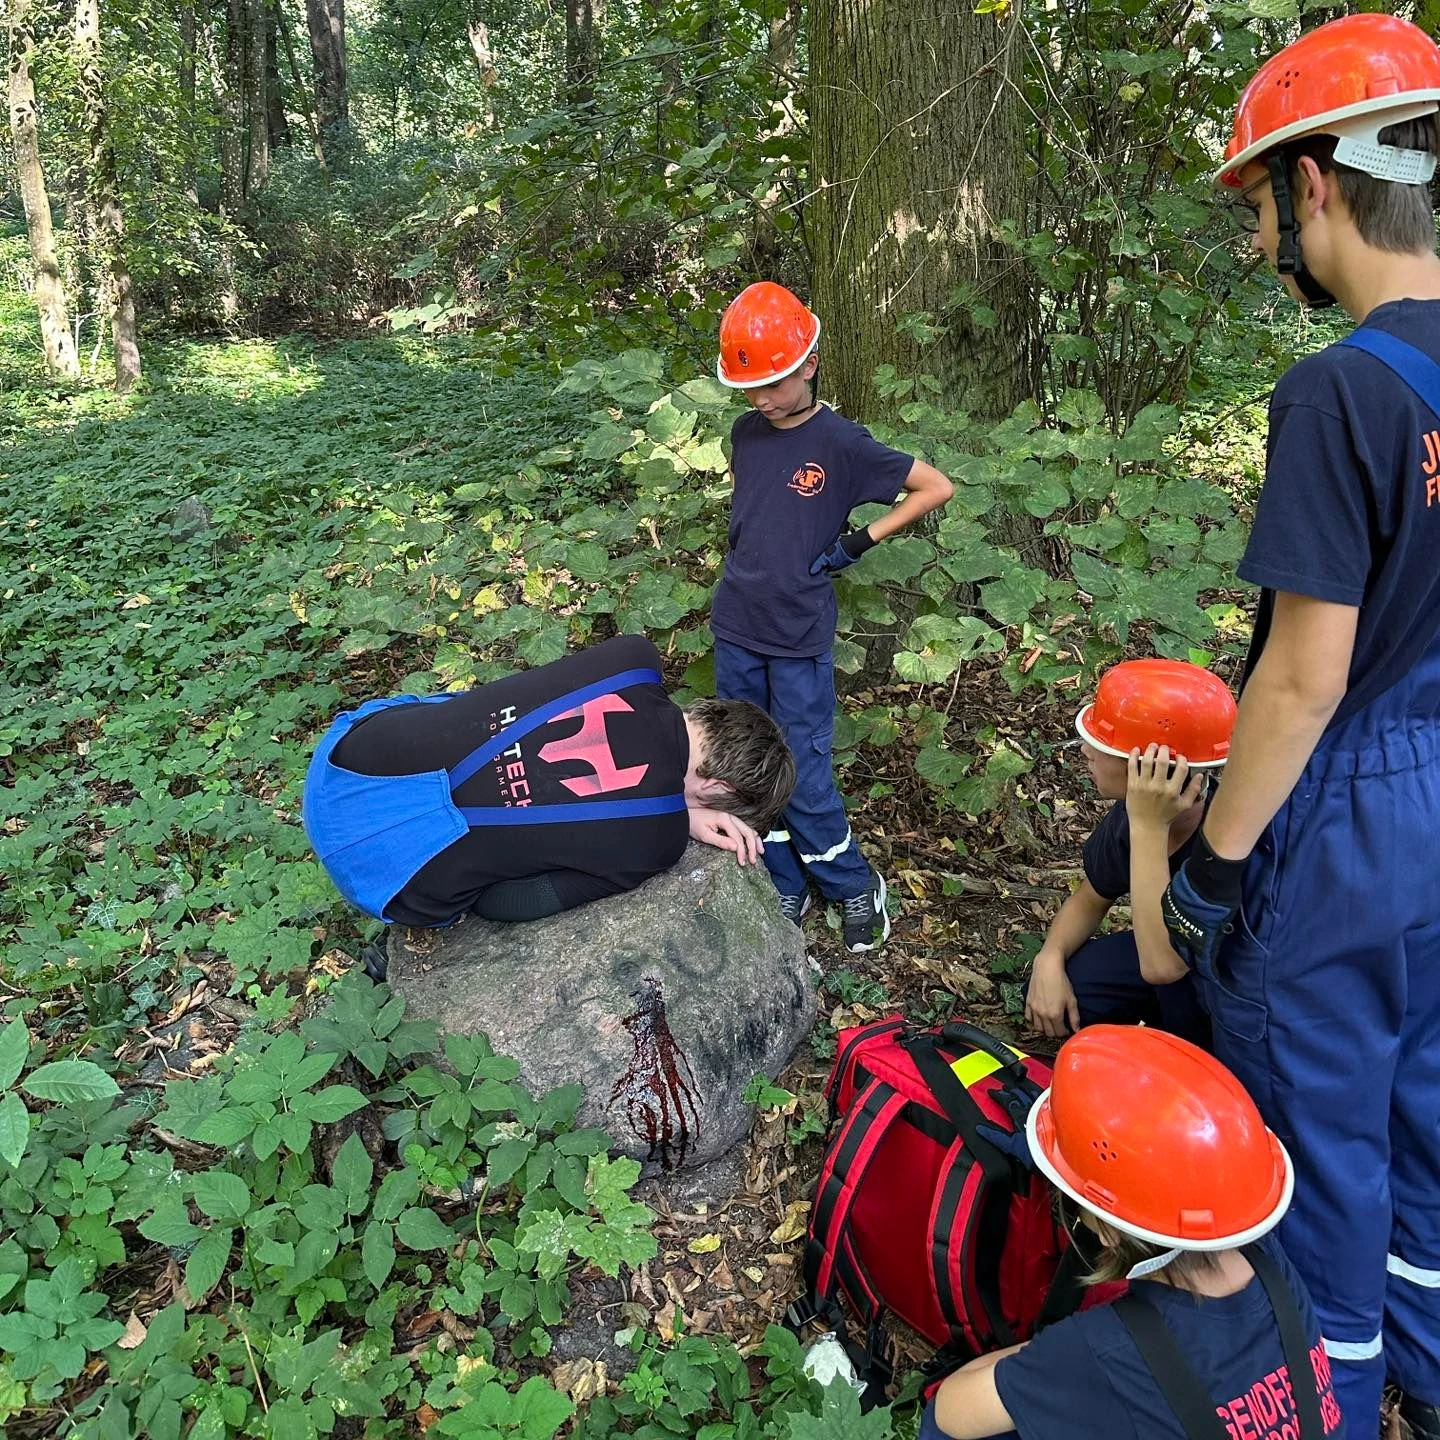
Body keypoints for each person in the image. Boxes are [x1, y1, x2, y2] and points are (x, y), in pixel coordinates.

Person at [1156, 15, 1440, 1434]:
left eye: (1263, 202)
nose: (1265, 233)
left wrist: (1211, 867)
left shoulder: (1340, 391)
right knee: (1421, 1106)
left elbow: (1299, 679)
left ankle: (1330, 1401)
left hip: (1348, 815)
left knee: (1317, 1143)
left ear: (1314, 182)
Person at [918, 1025, 1344, 1440]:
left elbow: (951, 1412)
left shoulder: (1105, 1349)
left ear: (1108, 1231)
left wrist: (1048, 1357)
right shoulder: (1273, 1267)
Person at [710, 281, 954, 952]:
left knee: (804, 771)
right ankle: (784, 879)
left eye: (774, 383)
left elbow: (935, 486)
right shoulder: (746, 433)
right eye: (749, 388)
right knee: (744, 765)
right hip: (737, 624)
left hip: (796, 633)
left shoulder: (841, 442)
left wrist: (856, 543)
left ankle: (852, 884)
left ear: (810, 364)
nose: (762, 399)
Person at [302, 633, 795, 929]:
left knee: (467, 710)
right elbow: (508, 903)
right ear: (720, 789)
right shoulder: (655, 843)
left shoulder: (633, 657)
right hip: (388, 882)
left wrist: (676, 811)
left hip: (344, 760)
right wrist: (673, 818)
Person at [1024, 660, 1234, 1049]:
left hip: (1220, 982)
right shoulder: (1131, 815)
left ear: (1154, 768)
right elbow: (1091, 897)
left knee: (1183, 999)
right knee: (1074, 987)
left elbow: (1163, 966)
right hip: (1167, 958)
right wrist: (1049, 958)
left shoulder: (1227, 840)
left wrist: (1149, 827)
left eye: (1104, 747)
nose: (1086, 752)